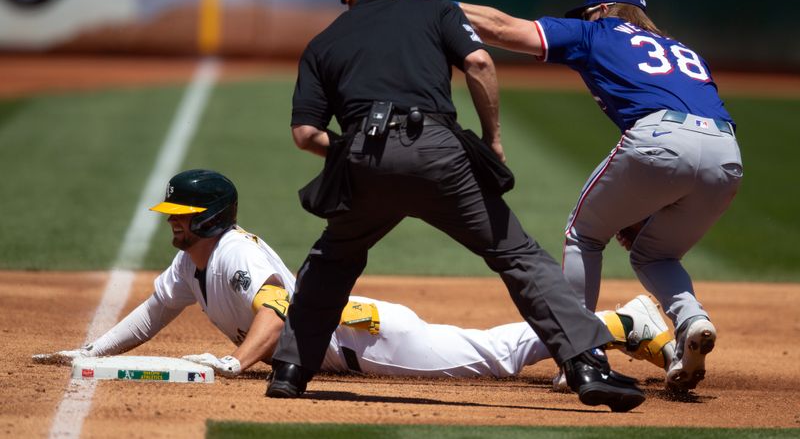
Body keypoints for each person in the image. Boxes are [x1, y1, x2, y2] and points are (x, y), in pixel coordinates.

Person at [267, 0, 648, 413]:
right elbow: (481, 64)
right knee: (517, 255)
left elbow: (305, 135)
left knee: (333, 258)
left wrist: (353, 150)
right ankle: (585, 364)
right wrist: (493, 139)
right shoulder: (435, 9)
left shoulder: (323, 41)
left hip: (362, 158)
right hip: (437, 152)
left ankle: (290, 370)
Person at [33, 169, 674, 383]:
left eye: (180, 215)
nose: (171, 224)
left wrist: (238, 365)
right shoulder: (188, 264)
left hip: (367, 341)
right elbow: (149, 316)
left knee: (496, 357)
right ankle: (616, 323)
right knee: (495, 350)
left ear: (209, 218)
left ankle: (623, 322)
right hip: (344, 341)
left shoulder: (238, 254)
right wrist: (89, 353)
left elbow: (276, 309)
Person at [459, 0, 743, 392]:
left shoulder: (598, 30)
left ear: (604, 9)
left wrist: (424, 4)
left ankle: (579, 353)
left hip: (661, 139)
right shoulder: (683, 49)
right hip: (727, 153)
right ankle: (691, 320)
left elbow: (501, 27)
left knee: (584, 234)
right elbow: (694, 141)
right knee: (655, 254)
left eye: (590, 11)